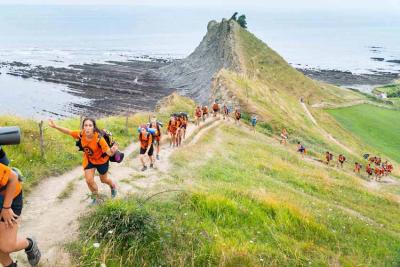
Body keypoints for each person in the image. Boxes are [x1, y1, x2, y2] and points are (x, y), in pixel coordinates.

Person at [48, 118, 118, 204]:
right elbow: (69, 132)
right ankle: (96, 198)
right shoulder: (81, 134)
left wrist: (113, 150)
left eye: (90, 125)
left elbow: (109, 153)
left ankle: (113, 186)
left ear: (93, 127)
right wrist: (55, 126)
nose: (88, 127)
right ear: (83, 127)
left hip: (102, 161)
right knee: (89, 180)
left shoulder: (99, 138)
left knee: (104, 180)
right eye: (86, 125)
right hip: (89, 160)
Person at [0, 163, 41, 267]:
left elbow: (13, 177)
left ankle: (30, 244)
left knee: (7, 246)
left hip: (9, 199)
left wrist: (6, 208)